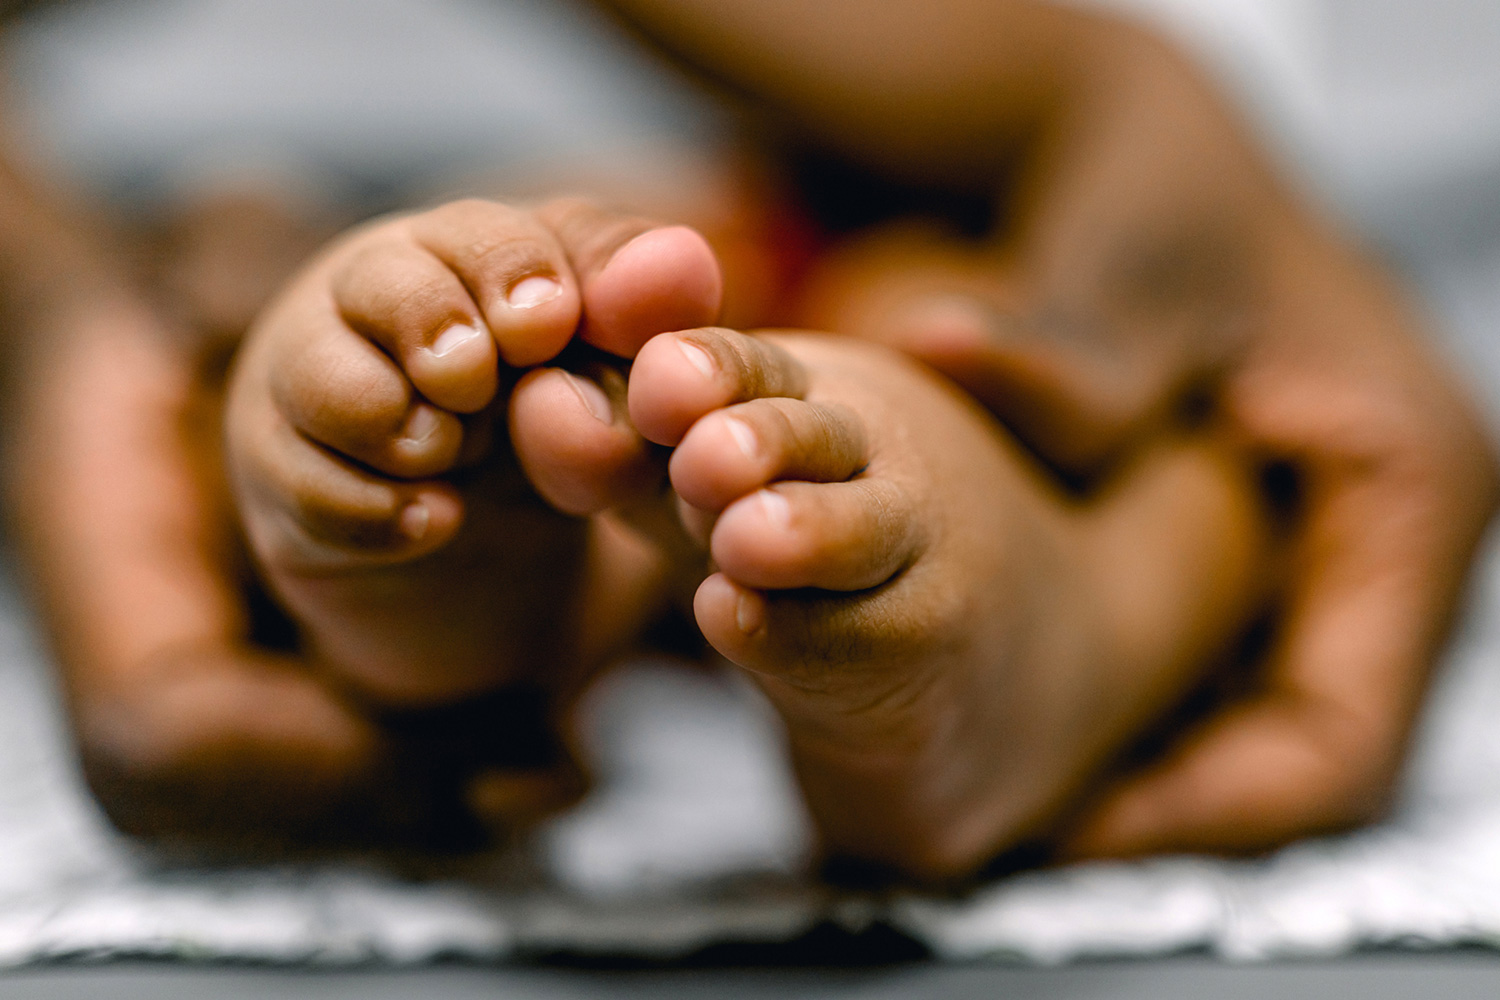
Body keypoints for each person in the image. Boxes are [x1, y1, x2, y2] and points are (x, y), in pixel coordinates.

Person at [0, 0, 1493, 868]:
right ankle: (433, 540)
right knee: (350, 299)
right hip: (481, 195)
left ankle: (1003, 625)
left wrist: (1124, 85)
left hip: (942, 207)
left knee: (1028, 397)